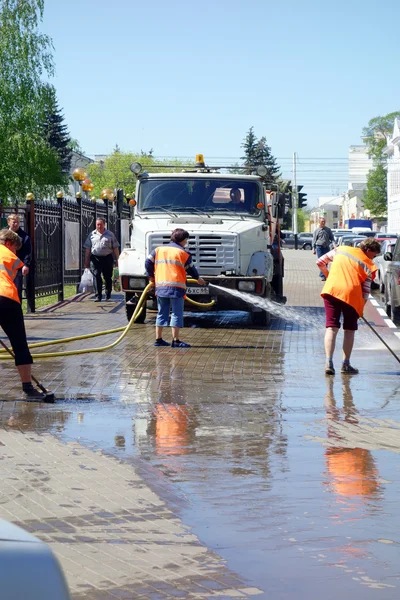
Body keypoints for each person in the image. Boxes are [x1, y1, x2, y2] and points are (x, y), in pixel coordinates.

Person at [0, 229, 53, 400]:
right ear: (9, 243)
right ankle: (28, 390)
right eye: (15, 248)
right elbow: (19, 270)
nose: (15, 251)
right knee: (19, 344)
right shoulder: (10, 255)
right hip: (6, 299)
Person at [317, 237, 381, 375]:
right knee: (349, 330)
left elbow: (320, 262)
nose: (374, 258)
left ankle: (328, 362)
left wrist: (329, 276)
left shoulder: (340, 250)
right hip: (351, 295)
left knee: (331, 328)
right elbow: (365, 292)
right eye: (374, 255)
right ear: (368, 250)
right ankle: (346, 365)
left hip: (331, 290)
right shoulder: (368, 265)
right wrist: (360, 308)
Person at [145, 228, 206, 348]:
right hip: (176, 287)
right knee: (176, 313)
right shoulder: (183, 253)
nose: (186, 243)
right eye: (186, 240)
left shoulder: (158, 250)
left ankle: (158, 339)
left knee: (162, 312)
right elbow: (191, 269)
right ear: (183, 240)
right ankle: (176, 341)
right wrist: (199, 279)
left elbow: (147, 262)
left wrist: (151, 276)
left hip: (161, 286)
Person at [83, 218, 120, 302]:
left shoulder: (110, 234)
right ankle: (98, 295)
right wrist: (86, 261)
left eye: (100, 224)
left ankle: (108, 293)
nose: (99, 226)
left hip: (107, 258)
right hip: (95, 258)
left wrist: (118, 259)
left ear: (104, 225)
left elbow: (115, 248)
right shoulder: (91, 234)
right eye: (97, 224)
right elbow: (88, 248)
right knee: (96, 275)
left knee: (107, 277)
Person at [7, 213, 32, 302]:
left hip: (16, 267)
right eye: (14, 222)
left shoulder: (24, 237)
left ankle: (17, 310)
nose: (16, 224)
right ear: (8, 222)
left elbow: (27, 252)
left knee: (16, 289)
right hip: (3, 266)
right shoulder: (3, 234)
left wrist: (26, 265)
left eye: (17, 222)